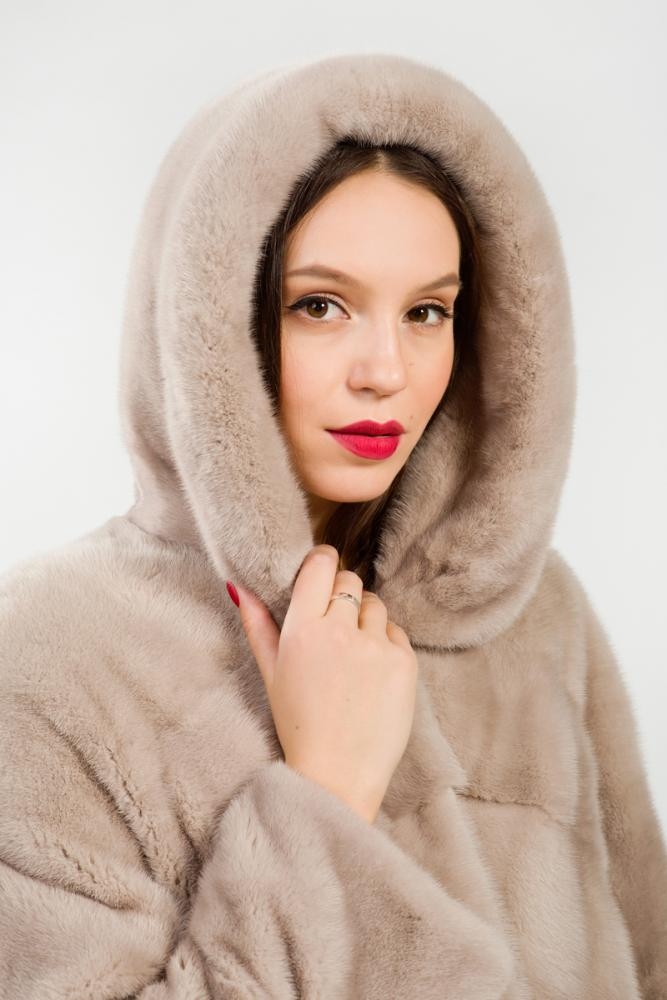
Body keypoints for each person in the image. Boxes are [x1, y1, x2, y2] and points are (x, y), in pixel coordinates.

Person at [0, 50, 664, 999]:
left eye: (427, 311)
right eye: (320, 305)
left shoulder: (536, 618)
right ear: (209, 320)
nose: (385, 370)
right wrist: (323, 802)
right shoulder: (50, 657)